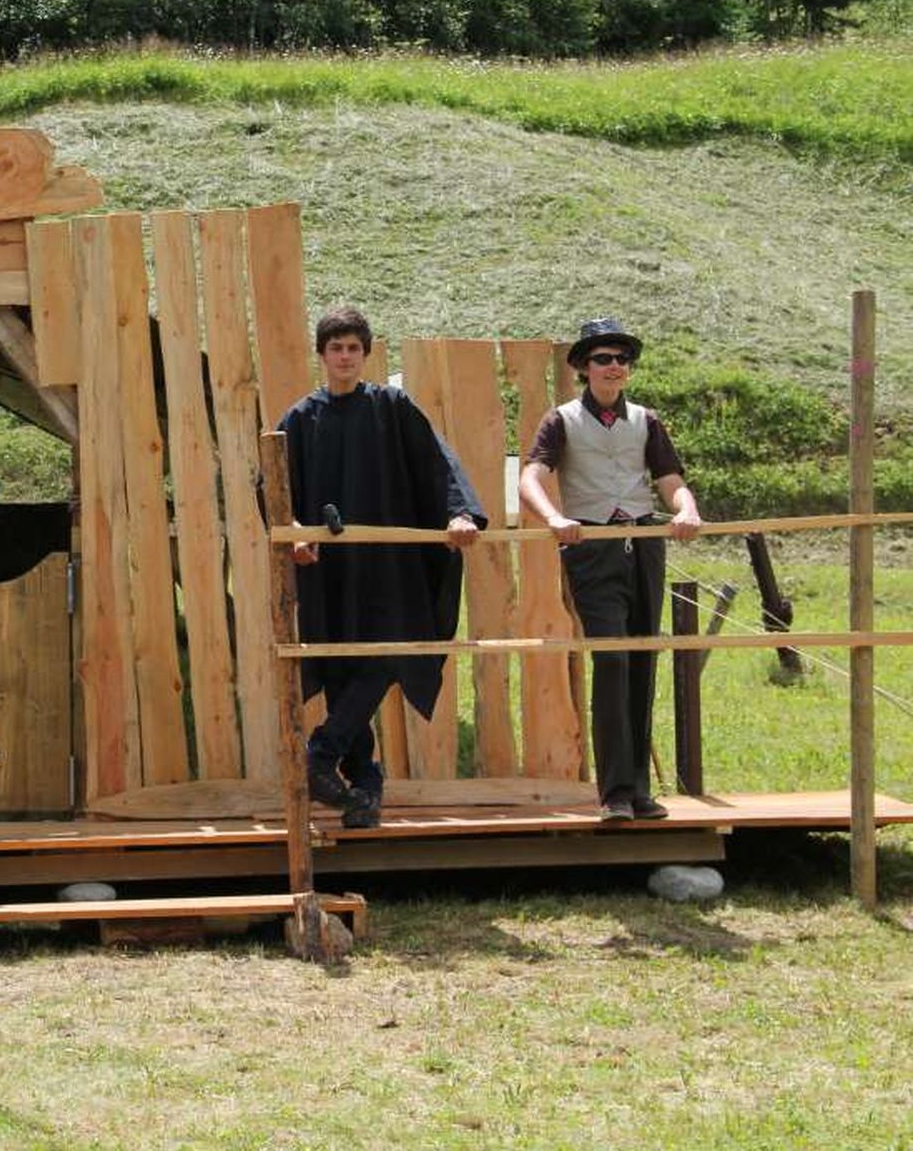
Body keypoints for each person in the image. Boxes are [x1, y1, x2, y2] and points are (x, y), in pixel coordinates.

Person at [279, 308, 484, 829]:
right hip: (331, 570)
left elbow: (439, 462)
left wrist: (459, 513)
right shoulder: (299, 420)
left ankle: (322, 754)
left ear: (365, 354)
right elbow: (276, 492)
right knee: (343, 670)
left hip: (391, 568)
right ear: (322, 355)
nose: (345, 356)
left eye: (354, 348)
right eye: (336, 348)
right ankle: (363, 789)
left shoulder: (392, 407)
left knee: (392, 652)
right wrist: (296, 533)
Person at [519, 317, 701, 823]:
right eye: (603, 358)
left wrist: (686, 509)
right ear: (584, 367)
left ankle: (639, 791)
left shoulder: (646, 420)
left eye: (622, 358)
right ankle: (614, 793)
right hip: (593, 547)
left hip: (643, 544)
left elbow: (669, 479)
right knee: (613, 660)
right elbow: (530, 478)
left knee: (642, 659)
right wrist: (554, 518)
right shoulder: (561, 420)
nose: (614, 366)